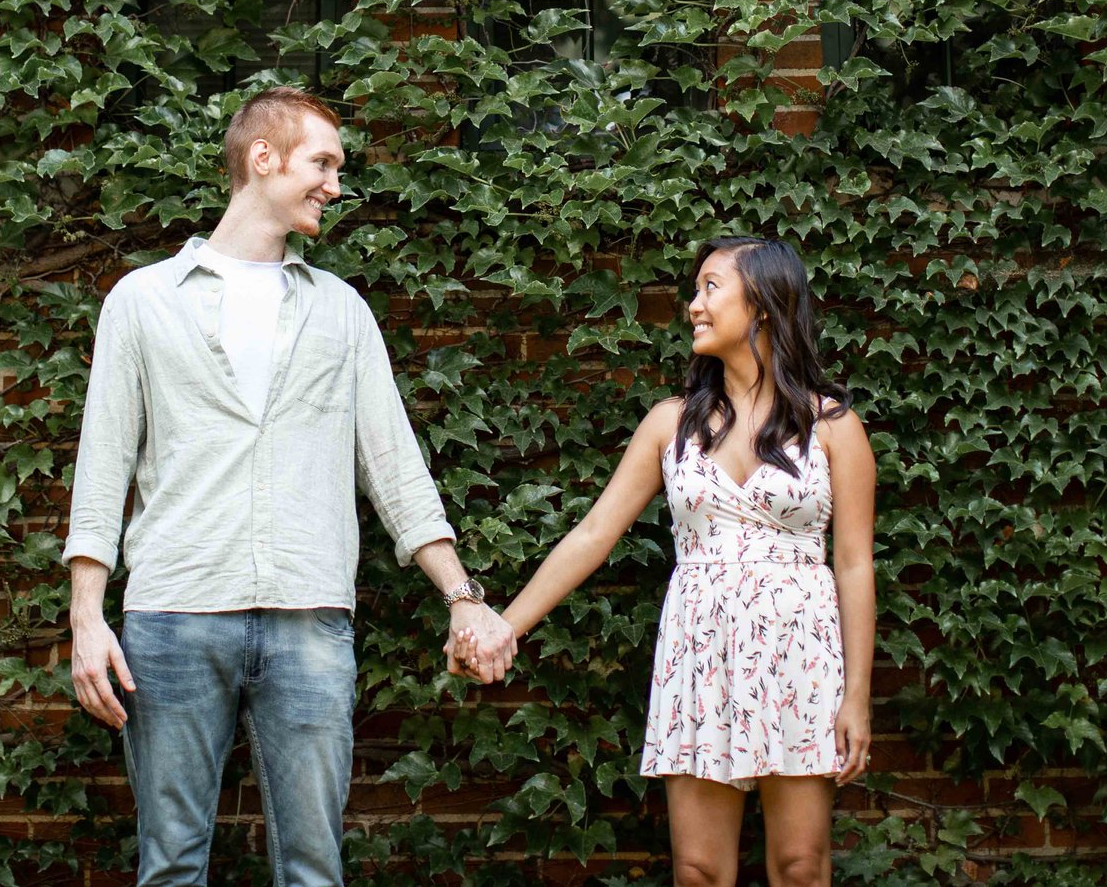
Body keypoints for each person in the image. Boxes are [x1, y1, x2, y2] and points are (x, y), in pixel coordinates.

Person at [63, 85, 516, 887]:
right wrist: (87, 618)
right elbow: (102, 467)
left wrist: (462, 593)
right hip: (172, 615)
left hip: (309, 618)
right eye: (324, 163)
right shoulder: (141, 301)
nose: (335, 185)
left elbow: (395, 466)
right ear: (262, 158)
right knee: (169, 866)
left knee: (313, 870)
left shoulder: (340, 311)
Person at [453, 236, 877, 887]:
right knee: (699, 870)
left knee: (801, 865)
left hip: (800, 656)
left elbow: (853, 564)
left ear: (764, 302)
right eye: (694, 288)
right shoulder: (669, 423)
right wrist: (505, 624)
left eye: (712, 287)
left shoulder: (833, 427)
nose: (692, 305)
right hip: (700, 656)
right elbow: (593, 533)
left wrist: (856, 696)